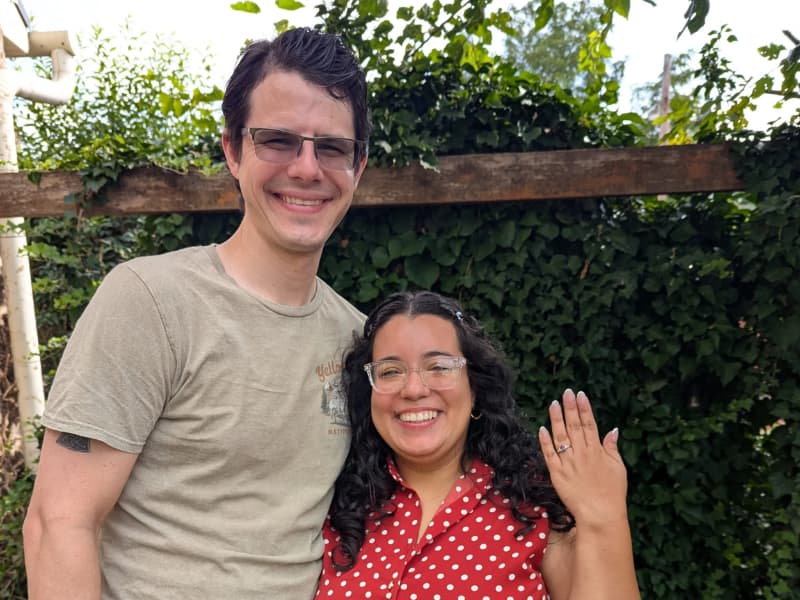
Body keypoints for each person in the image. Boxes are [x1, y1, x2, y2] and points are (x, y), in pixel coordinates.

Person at [23, 27, 369, 600]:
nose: (307, 169)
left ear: (358, 166)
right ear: (233, 150)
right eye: (278, 141)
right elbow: (58, 524)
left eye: (331, 147)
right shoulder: (150, 302)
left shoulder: (356, 337)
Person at [316, 290, 640, 599]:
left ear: (475, 388)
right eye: (390, 371)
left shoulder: (535, 507)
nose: (413, 388)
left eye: (439, 367)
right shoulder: (335, 509)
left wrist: (603, 518)